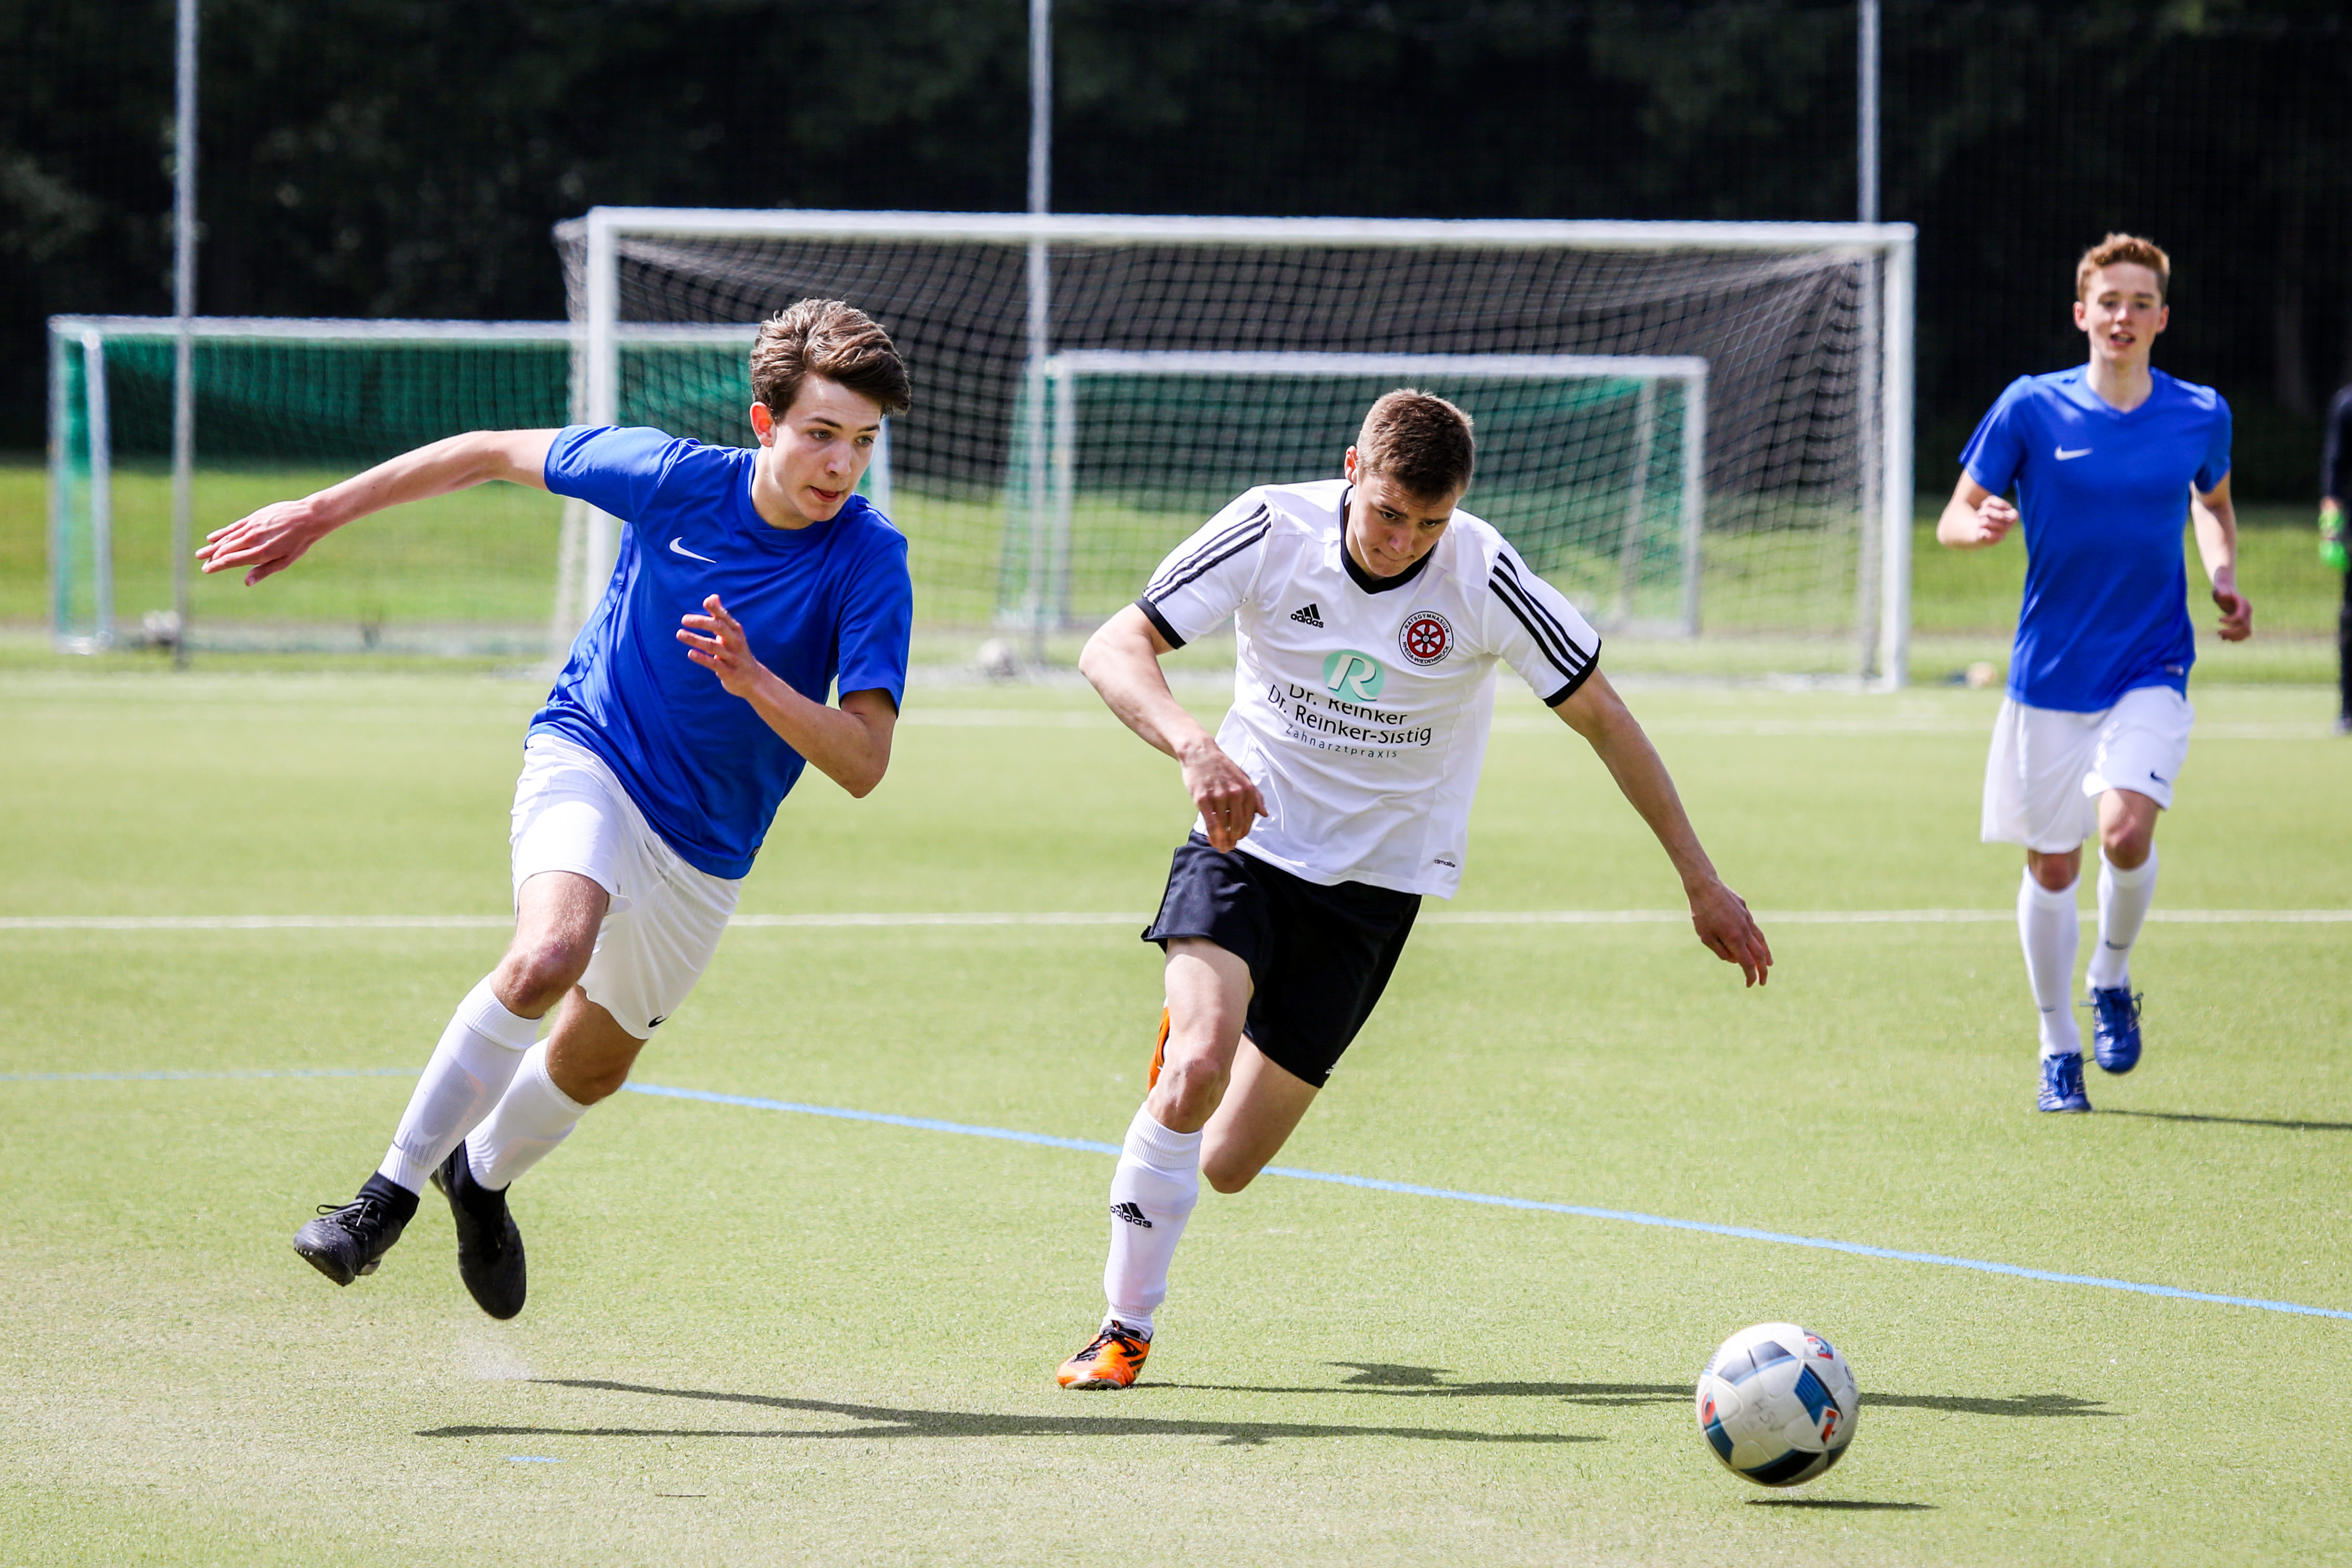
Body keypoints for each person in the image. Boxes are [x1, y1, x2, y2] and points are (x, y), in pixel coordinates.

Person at [196, 300, 914, 1317]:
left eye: (863, 442)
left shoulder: (869, 557)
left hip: (709, 844)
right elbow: (489, 450)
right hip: (592, 754)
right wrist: (321, 510)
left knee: (594, 1064)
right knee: (547, 954)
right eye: (821, 433)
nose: (841, 464)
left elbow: (864, 761)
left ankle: (480, 1175)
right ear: (765, 422)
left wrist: (757, 682)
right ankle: (382, 1199)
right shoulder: (670, 477)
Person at [1052, 389, 1774, 1390]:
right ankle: (1123, 1327)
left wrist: (1700, 879)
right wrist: (1196, 746)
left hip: (1374, 891)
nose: (1403, 542)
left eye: (1430, 522)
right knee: (1197, 1064)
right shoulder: (1271, 525)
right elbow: (1112, 646)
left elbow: (1605, 719)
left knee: (1226, 1162)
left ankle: (1193, 1078)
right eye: (1390, 513)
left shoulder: (1482, 571)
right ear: (1353, 468)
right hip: (1245, 845)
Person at [1937, 234, 2251, 1115]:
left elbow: (2212, 504)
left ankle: (2110, 975)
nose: (2123, 315)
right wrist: (1978, 526)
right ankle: (2056, 1043)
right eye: (2108, 301)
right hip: (2049, 674)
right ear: (2082, 313)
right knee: (2051, 865)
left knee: (2123, 831)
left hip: (2151, 662)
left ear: (2161, 318)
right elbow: (1953, 517)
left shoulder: (2199, 412)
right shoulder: (2030, 407)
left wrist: (2224, 574)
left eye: (2139, 302)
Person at [2319, 379, 2351, 734]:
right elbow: (2334, 466)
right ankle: (2348, 710)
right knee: (2350, 620)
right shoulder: (2346, 404)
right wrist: (2331, 527)